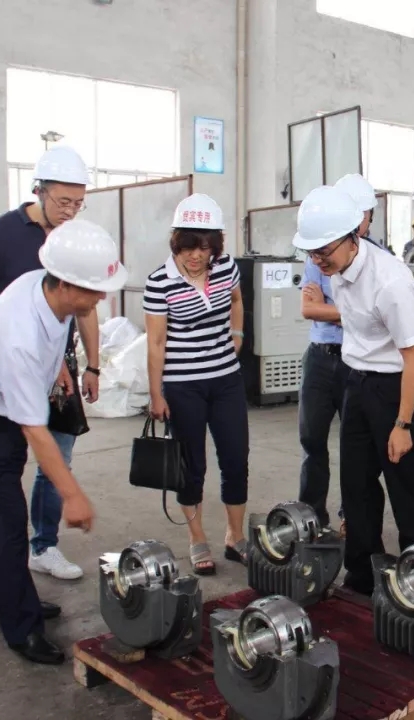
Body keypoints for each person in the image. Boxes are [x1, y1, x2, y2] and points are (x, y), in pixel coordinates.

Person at [0, 218, 126, 664]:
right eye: (94, 290)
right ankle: (21, 628)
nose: (101, 299)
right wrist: (72, 495)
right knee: (8, 521)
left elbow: (52, 340)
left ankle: (4, 600)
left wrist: (57, 366)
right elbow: (35, 430)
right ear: (64, 283)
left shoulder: (42, 288)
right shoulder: (20, 336)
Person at [0, 145, 99, 595]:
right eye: (64, 201)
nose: (71, 211)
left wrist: (92, 365)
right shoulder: (0, 234)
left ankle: (44, 545)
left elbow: (88, 306)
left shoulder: (75, 238)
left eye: (79, 203)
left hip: (59, 362)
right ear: (39, 190)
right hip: (12, 360)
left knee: (58, 456)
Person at [293, 185, 414, 596]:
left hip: (396, 386)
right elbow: (349, 319)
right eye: (312, 253)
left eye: (324, 252)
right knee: (356, 485)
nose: (318, 261)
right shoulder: (337, 270)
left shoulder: (389, 280)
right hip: (355, 381)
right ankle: (361, 575)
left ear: (352, 237)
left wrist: (403, 424)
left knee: (406, 487)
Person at [144, 193, 249, 576]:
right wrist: (156, 393)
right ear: (177, 242)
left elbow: (236, 301)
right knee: (192, 466)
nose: (196, 256)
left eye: (205, 248)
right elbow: (156, 343)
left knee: (235, 458)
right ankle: (197, 537)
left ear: (215, 246)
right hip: (182, 385)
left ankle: (235, 536)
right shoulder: (160, 282)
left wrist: (237, 333)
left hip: (226, 379)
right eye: (189, 247)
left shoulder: (226, 267)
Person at [296, 177, 394, 534]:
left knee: (358, 448)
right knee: (312, 441)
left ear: (369, 217)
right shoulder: (319, 252)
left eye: (363, 213)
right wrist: (351, 311)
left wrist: (334, 309)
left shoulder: (382, 260)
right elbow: (309, 309)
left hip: (360, 363)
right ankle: (311, 516)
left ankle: (351, 516)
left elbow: (377, 316)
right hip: (321, 357)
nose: (357, 220)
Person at [334, 173, 395, 255]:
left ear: (371, 214)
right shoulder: (323, 254)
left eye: (360, 214)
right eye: (347, 214)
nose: (354, 222)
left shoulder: (382, 256)